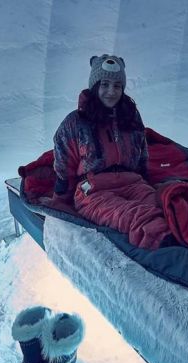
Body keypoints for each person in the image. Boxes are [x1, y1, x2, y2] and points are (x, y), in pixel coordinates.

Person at [52, 54, 172, 250]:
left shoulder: (130, 116)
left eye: (117, 86)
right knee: (136, 217)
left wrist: (146, 182)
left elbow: (141, 152)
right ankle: (166, 247)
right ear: (95, 86)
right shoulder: (76, 122)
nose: (111, 91)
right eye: (105, 84)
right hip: (93, 189)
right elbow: (64, 165)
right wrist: (60, 200)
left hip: (132, 183)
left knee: (168, 209)